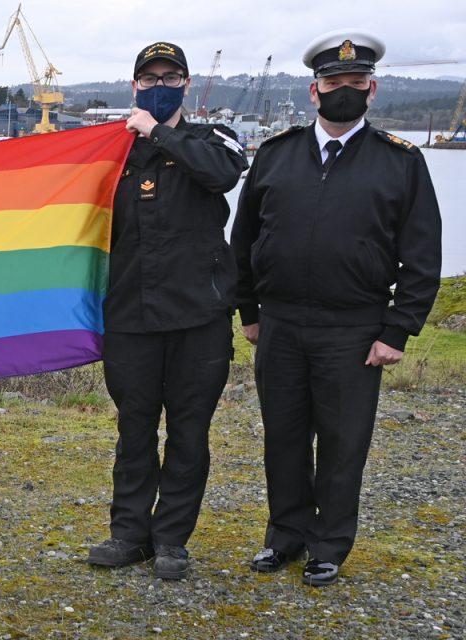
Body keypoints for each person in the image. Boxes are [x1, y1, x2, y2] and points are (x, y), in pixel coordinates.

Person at [232, 28, 442, 587]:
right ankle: (286, 536)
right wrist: (248, 309)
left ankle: (329, 544)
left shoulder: (400, 163)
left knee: (344, 442)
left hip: (353, 328)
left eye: (355, 82)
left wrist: (398, 330)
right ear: (313, 90)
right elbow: (244, 239)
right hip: (278, 323)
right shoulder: (276, 156)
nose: (343, 90)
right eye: (333, 82)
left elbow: (422, 257)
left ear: (372, 91)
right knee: (283, 435)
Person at [85, 41, 247, 580]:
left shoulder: (211, 138)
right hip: (129, 316)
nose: (160, 84)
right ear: (134, 85)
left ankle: (172, 539)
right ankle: (128, 534)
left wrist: (157, 132)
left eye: (170, 76)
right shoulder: (110, 151)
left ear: (185, 83)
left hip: (199, 319)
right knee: (134, 431)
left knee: (188, 433)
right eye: (149, 77)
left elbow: (222, 174)